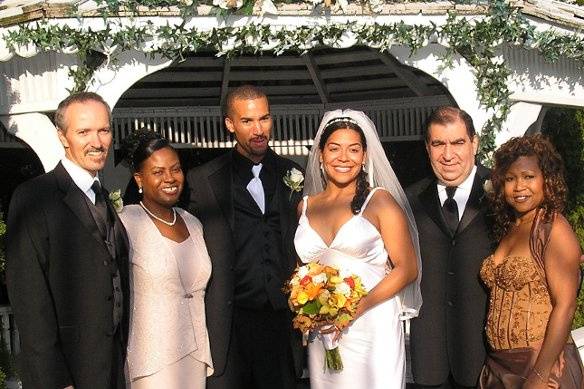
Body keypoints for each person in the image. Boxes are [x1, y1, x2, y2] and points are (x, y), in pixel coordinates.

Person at [6, 92, 129, 388]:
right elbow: (29, 298)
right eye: (84, 132)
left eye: (104, 130)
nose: (97, 142)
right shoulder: (35, 197)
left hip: (110, 368)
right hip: (66, 373)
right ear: (62, 137)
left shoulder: (103, 197)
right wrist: (56, 379)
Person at [186, 85, 303, 389]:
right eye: (248, 121)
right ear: (230, 124)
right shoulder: (203, 181)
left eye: (264, 119)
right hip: (227, 324)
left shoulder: (293, 173)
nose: (258, 129)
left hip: (282, 323)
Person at [296, 109, 422, 389]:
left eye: (353, 149)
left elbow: (408, 268)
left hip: (372, 325)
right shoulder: (305, 206)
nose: (343, 157)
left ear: (365, 156)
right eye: (334, 148)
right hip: (324, 329)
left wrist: (355, 308)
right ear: (320, 154)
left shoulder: (380, 201)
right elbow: (304, 270)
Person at [478, 135, 583, 388]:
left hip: (542, 367)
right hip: (499, 368)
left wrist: (539, 375)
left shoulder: (552, 227)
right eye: (510, 179)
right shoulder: (510, 228)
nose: (519, 187)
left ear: (546, 179)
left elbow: (566, 305)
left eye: (528, 177)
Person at [407, 106, 494, 388]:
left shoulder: (504, 191)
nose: (448, 155)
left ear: (474, 143)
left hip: (488, 351)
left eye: (457, 142)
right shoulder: (409, 198)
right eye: (438, 144)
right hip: (430, 353)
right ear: (427, 147)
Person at [119, 131, 213, 388]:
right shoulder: (125, 222)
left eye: (176, 169)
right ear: (139, 178)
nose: (170, 178)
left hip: (195, 355)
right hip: (151, 360)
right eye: (158, 172)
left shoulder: (193, 223)